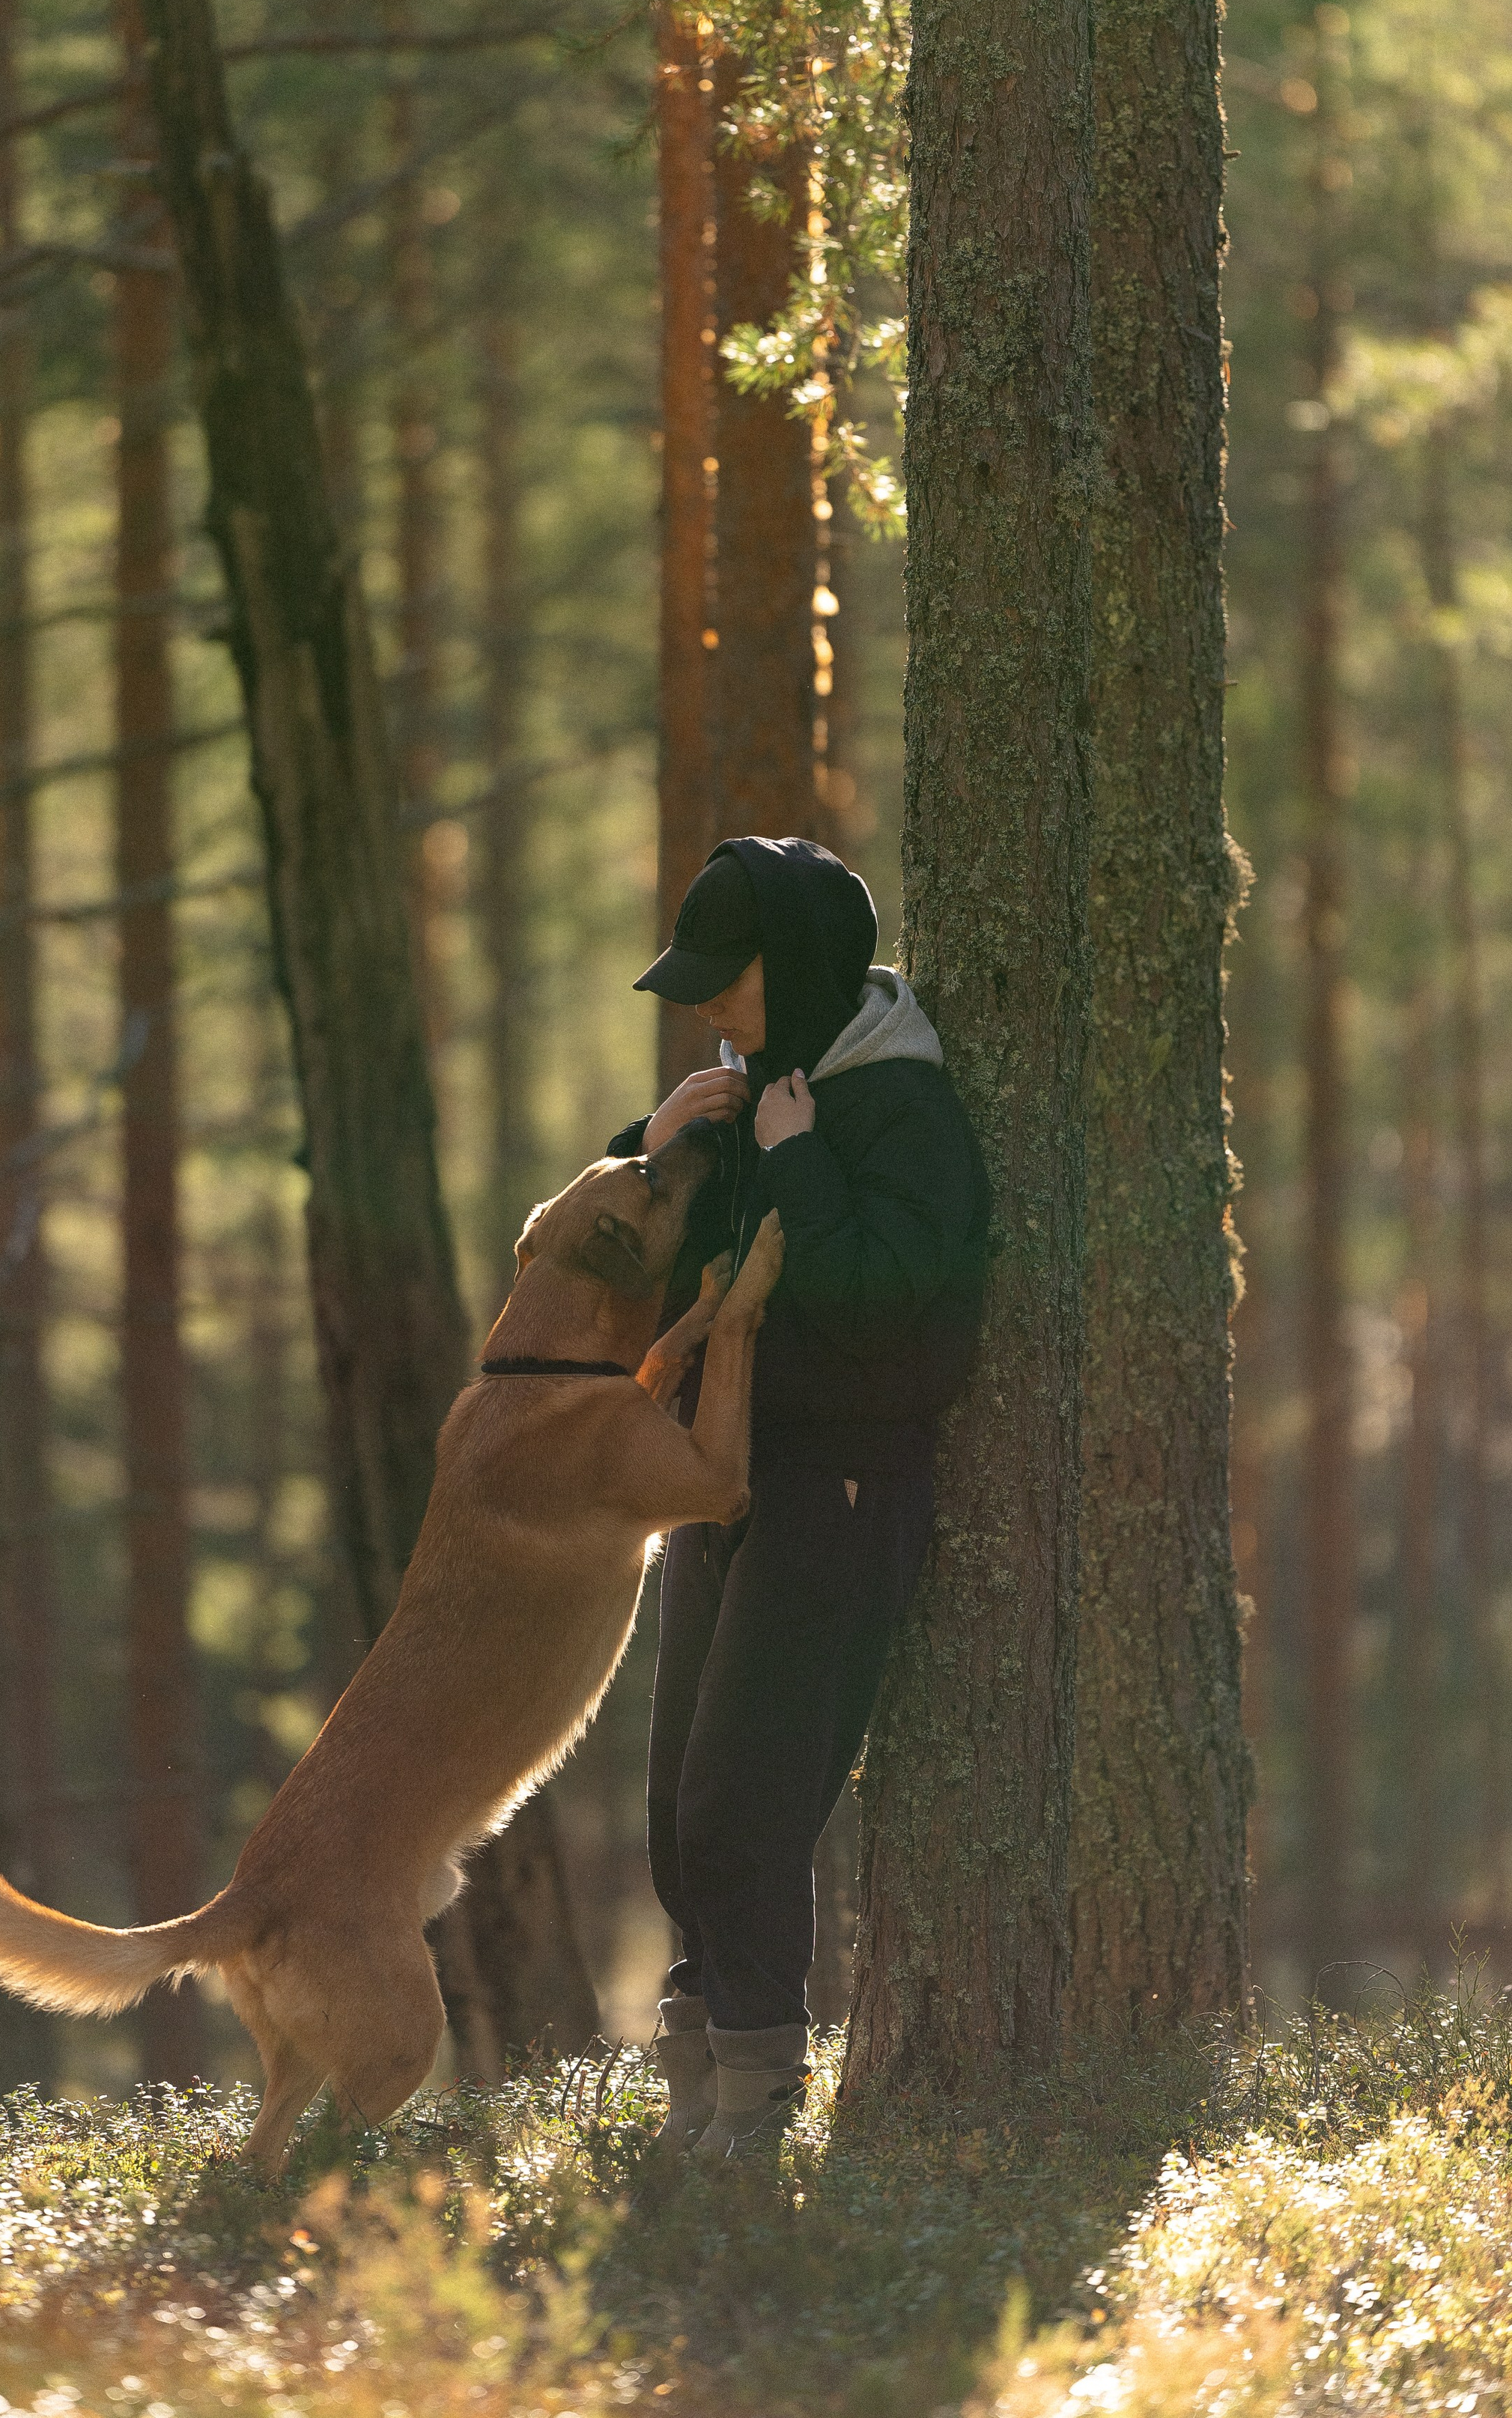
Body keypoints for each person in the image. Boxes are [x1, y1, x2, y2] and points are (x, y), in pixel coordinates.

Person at [608, 835, 989, 2158]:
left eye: (734, 979)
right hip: (719, 1479)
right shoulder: (746, 1092)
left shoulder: (899, 1103)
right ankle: (695, 2084)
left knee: (742, 1805)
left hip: (839, 1486)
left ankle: (756, 2105)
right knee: (672, 1807)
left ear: (807, 964)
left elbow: (903, 1298)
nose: (713, 1007)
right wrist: (653, 1147)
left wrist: (802, 1157)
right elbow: (637, 1261)